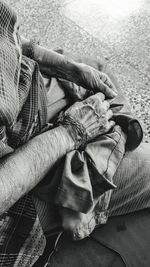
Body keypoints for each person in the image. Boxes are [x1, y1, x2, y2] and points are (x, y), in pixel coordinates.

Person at [0, 1, 149, 267]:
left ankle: (84, 181)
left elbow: (10, 40)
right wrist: (72, 132)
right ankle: (81, 186)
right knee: (134, 143)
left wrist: (67, 68)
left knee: (98, 70)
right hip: (19, 166)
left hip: (27, 94)